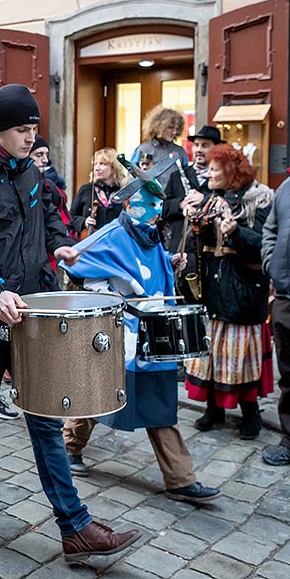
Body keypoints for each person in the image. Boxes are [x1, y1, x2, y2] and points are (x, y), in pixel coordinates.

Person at [0, 83, 140, 561]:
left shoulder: (33, 178)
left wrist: (59, 247)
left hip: (34, 322)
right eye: (22, 130)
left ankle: (75, 528)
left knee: (45, 423)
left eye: (33, 129)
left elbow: (46, 227)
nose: (30, 138)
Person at [62, 174, 220, 504]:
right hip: (119, 333)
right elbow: (77, 266)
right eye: (149, 204)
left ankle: (180, 478)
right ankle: (68, 448)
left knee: (159, 401)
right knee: (99, 391)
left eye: (159, 205)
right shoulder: (112, 235)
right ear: (131, 204)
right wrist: (115, 295)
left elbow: (150, 272)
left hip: (151, 333)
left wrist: (170, 263)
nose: (156, 211)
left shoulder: (150, 236)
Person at [183, 143, 274, 439]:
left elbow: (263, 245)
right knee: (210, 354)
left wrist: (235, 231)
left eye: (214, 170)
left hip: (242, 289)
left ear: (231, 173)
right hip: (212, 286)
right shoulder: (211, 199)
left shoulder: (258, 200)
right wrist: (194, 218)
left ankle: (251, 415)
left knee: (239, 358)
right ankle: (214, 409)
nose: (208, 173)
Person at [161, 125, 223, 298]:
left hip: (209, 251)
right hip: (182, 251)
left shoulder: (222, 178)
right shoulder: (178, 176)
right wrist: (181, 205)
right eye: (196, 145)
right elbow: (162, 208)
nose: (199, 150)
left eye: (205, 145)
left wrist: (204, 200)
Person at [262, 172, 290, 465]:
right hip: (286, 298)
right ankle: (289, 438)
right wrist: (273, 265)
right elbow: (271, 230)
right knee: (289, 374)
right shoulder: (286, 188)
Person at [70, 147, 128, 237]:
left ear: (113, 168)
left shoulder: (123, 191)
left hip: (117, 241)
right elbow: (71, 218)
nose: (97, 168)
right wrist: (84, 222)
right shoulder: (86, 190)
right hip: (91, 242)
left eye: (102, 164)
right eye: (95, 164)